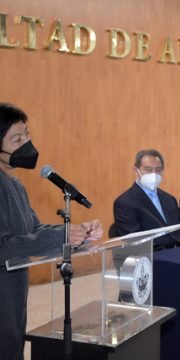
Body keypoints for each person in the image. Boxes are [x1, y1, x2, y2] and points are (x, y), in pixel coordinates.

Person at [0, 103, 103, 360]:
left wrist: (75, 234)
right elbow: (4, 246)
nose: (27, 143)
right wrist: (61, 236)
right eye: (17, 138)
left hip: (14, 290)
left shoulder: (14, 183)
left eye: (27, 134)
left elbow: (34, 230)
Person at [112, 149, 180, 250]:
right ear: (136, 171)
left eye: (158, 169)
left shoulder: (169, 199)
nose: (154, 174)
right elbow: (136, 242)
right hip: (154, 258)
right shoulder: (125, 202)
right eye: (148, 169)